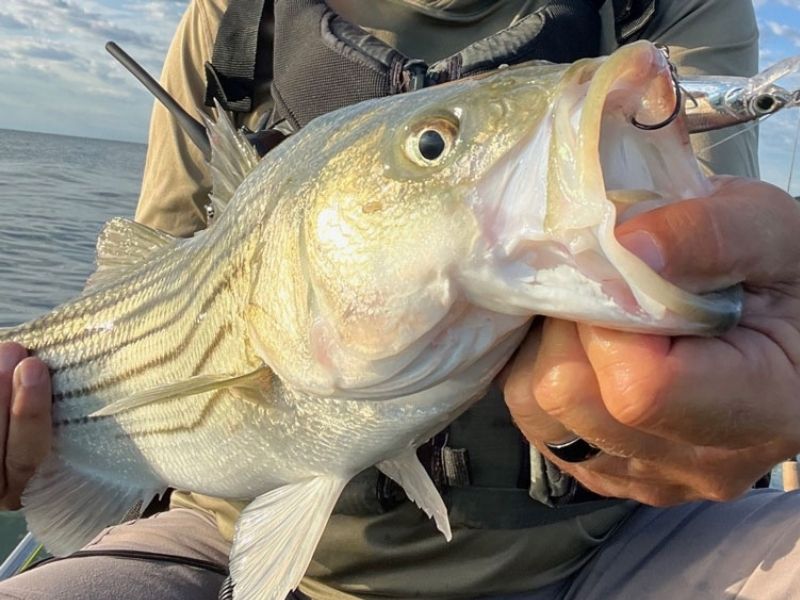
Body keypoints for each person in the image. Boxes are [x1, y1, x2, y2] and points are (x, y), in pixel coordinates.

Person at [2, 0, 800, 598]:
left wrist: (719, 392)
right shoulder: (230, 16)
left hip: (605, 552)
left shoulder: (667, 8)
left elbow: (715, 247)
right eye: (432, 147)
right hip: (213, 539)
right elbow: (144, 274)